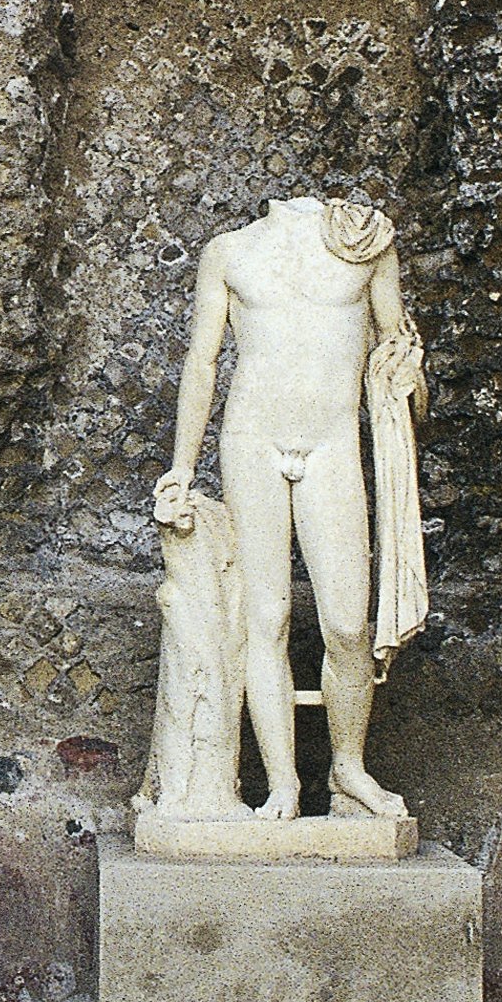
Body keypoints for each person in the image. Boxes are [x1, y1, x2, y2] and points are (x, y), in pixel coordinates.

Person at [152, 194, 427, 818]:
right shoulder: (229, 251)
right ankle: (282, 783)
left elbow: (397, 347)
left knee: (349, 625)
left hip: (332, 442)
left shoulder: (365, 243)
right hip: (252, 441)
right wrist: (182, 467)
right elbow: (203, 361)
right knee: (265, 618)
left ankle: (348, 771)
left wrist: (407, 378)